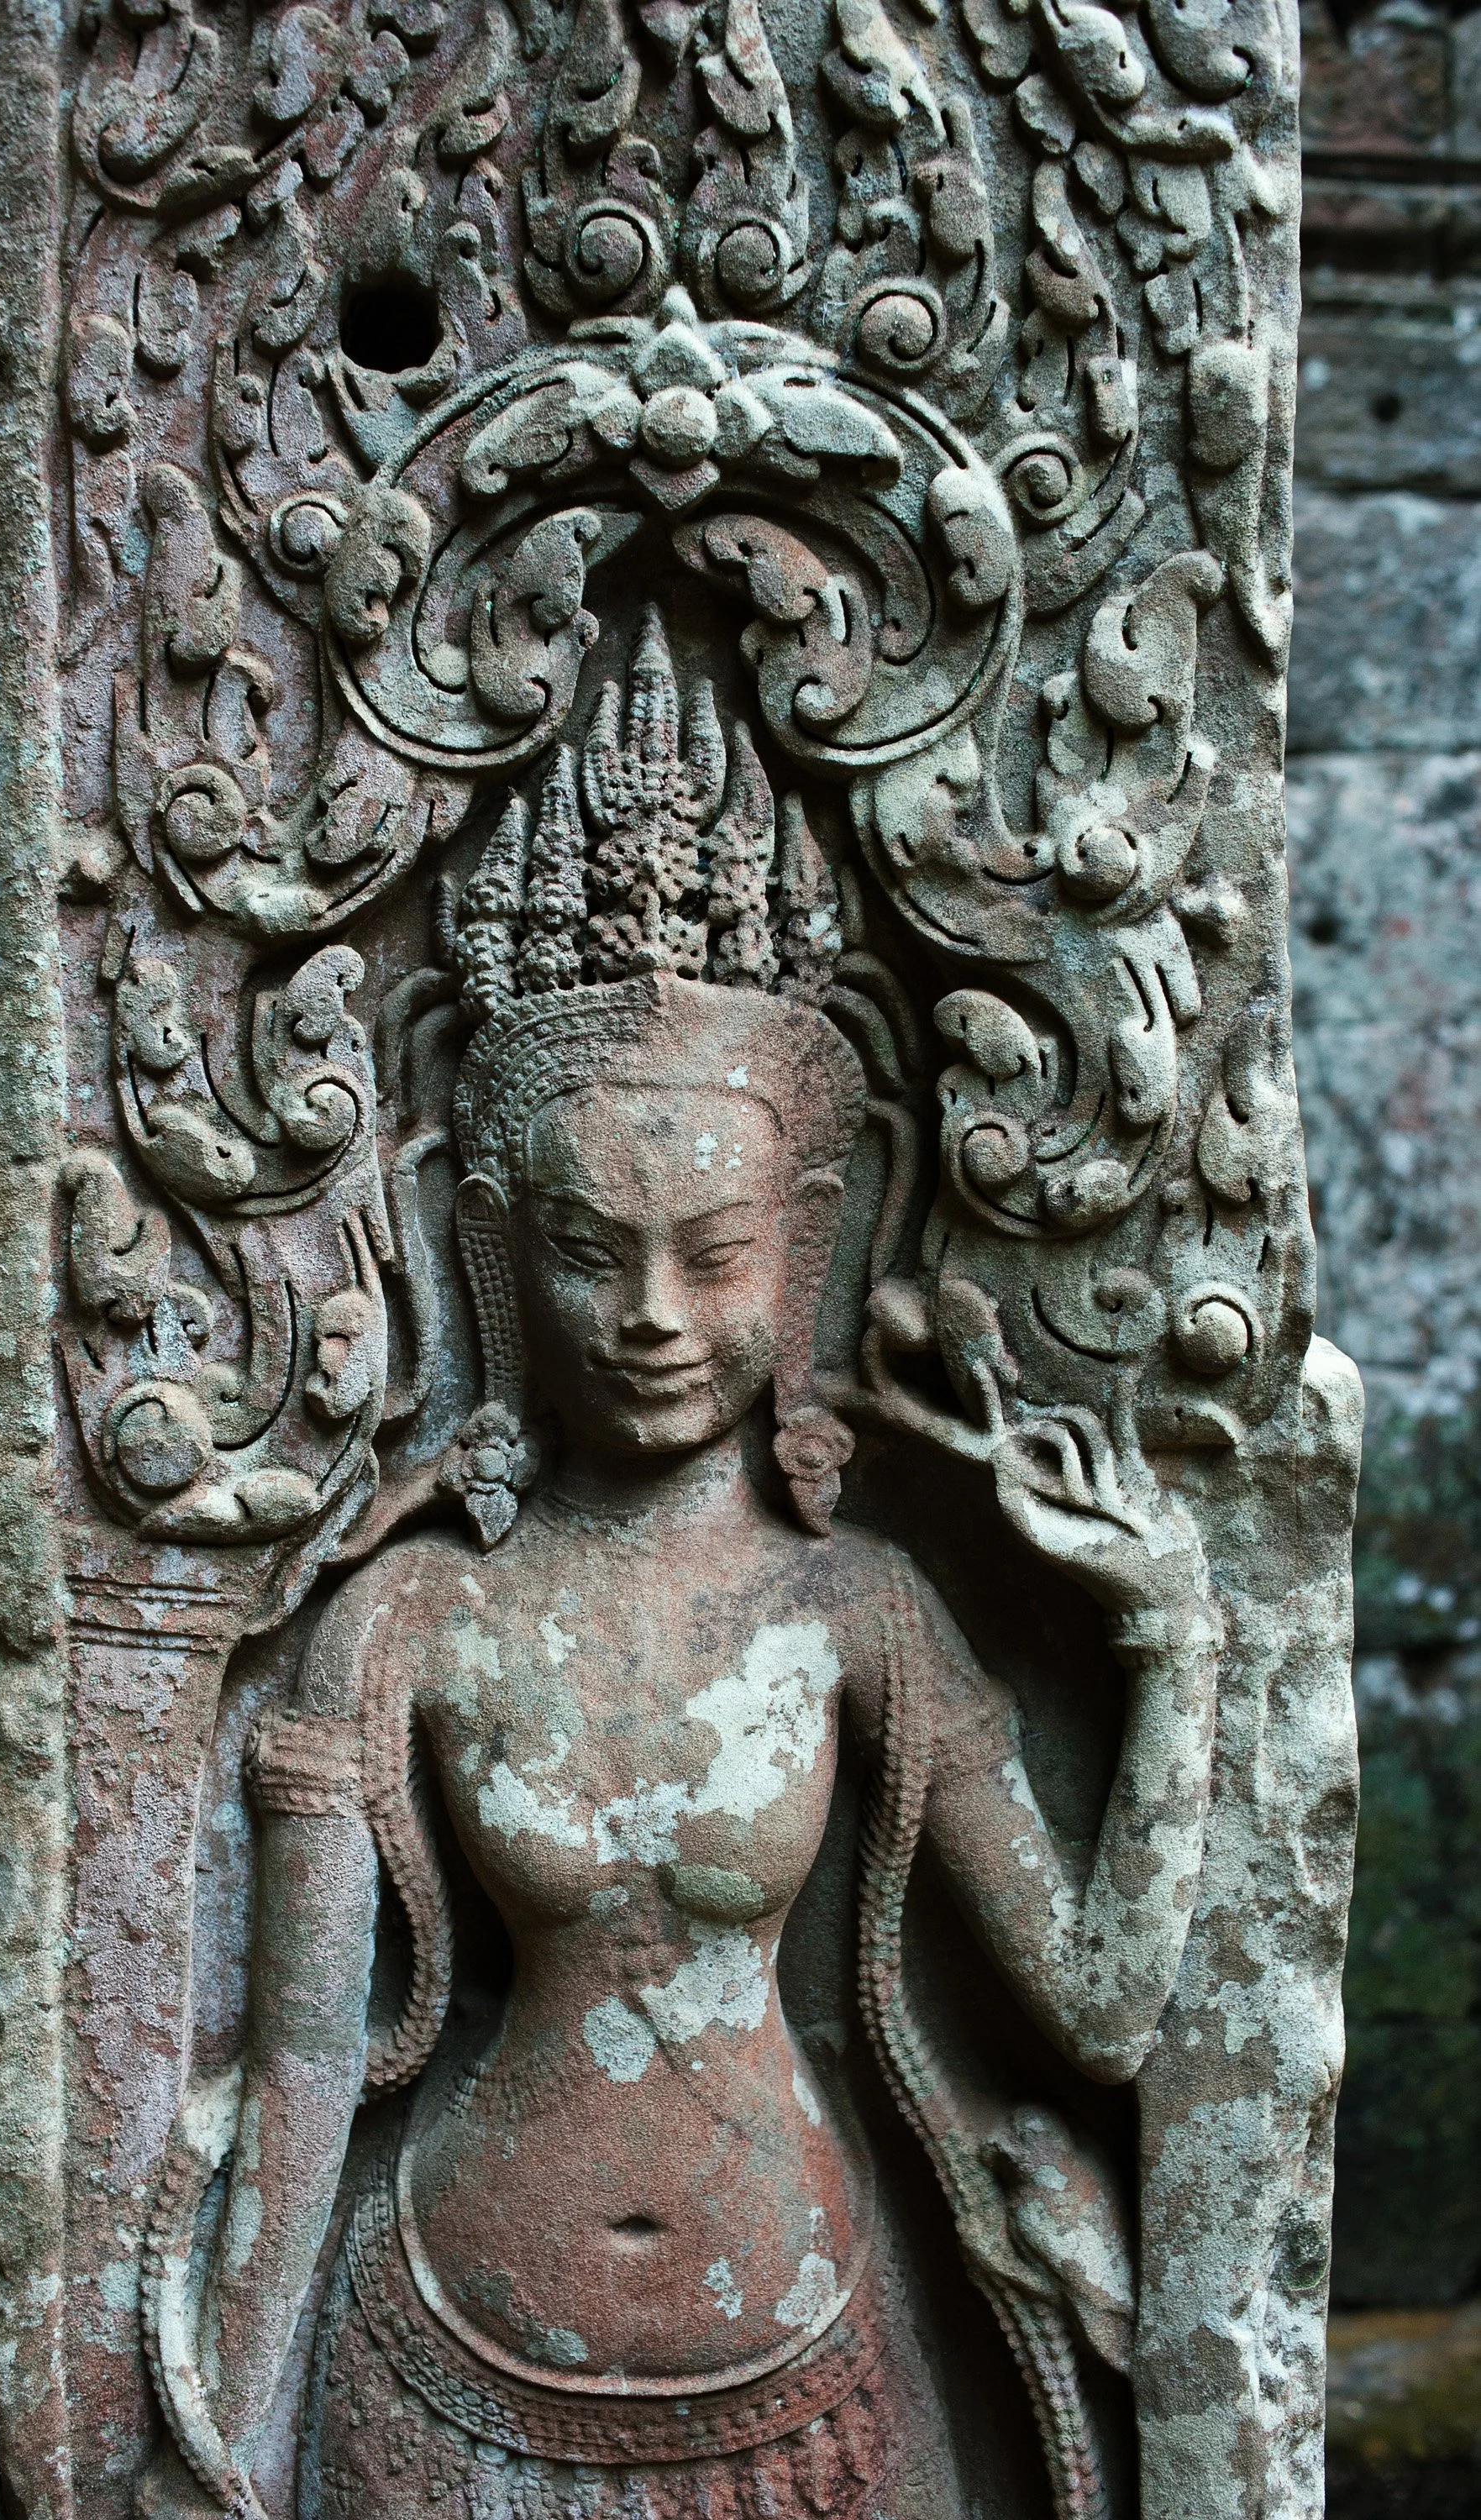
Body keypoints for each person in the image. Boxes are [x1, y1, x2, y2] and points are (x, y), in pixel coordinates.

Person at [139, 617, 1218, 2520]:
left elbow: (1107, 2009)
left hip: (806, 2371)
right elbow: (301, 2092)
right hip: (444, 2363)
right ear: (495, 1255)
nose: (647, 1318)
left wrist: (1179, 1644)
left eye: (709, 1256)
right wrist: (213, 2431)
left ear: (801, 1255)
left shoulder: (853, 1607)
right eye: (587, 1252)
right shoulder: (408, 1617)